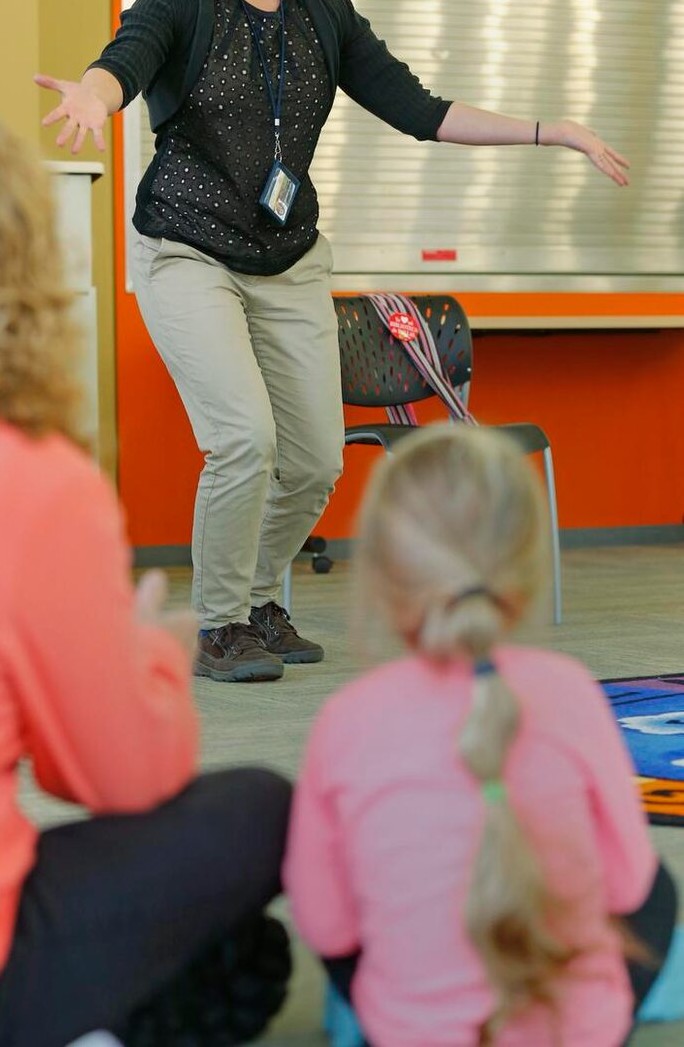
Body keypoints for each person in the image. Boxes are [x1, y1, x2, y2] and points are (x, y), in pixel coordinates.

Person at [35, 0, 630, 684]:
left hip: (290, 256)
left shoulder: (324, 15)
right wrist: (94, 96)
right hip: (187, 249)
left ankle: (262, 599)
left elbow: (420, 109)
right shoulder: (181, 1)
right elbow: (122, 62)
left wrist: (553, 132)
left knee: (313, 455)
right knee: (243, 438)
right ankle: (222, 622)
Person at [0, 114, 291, 1047]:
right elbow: (114, 776)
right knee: (260, 807)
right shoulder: (41, 483)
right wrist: (151, 658)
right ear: (30, 274)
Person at [283, 425, 677, 1047]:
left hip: (409, 1032)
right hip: (581, 1031)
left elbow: (327, 927)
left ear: (383, 577)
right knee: (658, 888)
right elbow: (628, 885)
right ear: (524, 569)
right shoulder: (571, 692)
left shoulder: (348, 718)